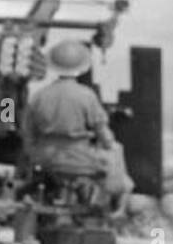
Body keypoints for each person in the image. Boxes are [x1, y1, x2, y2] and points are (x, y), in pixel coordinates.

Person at [21, 39, 133, 210]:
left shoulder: (39, 96)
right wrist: (107, 144)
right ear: (82, 67)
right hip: (79, 158)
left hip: (45, 158)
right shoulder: (86, 96)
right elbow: (105, 136)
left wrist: (33, 154)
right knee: (117, 150)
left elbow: (27, 133)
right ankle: (117, 207)